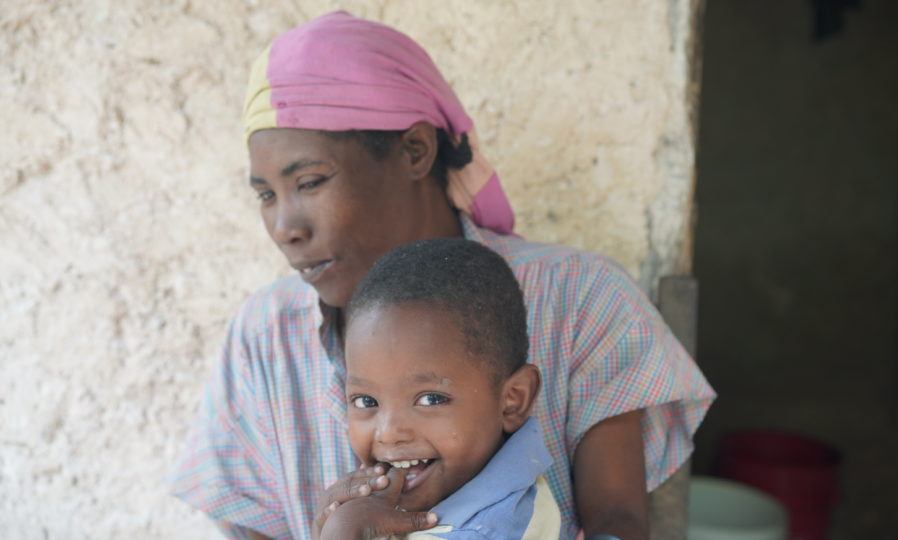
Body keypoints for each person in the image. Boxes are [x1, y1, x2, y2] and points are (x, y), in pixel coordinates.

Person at [171, 11, 715, 540]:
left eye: (310, 182)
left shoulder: (579, 299)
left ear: (415, 150)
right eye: (266, 195)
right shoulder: (263, 340)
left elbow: (617, 524)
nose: (285, 227)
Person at [320, 237, 560, 539]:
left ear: (513, 400)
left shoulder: (488, 531)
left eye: (431, 399)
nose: (389, 433)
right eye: (366, 401)